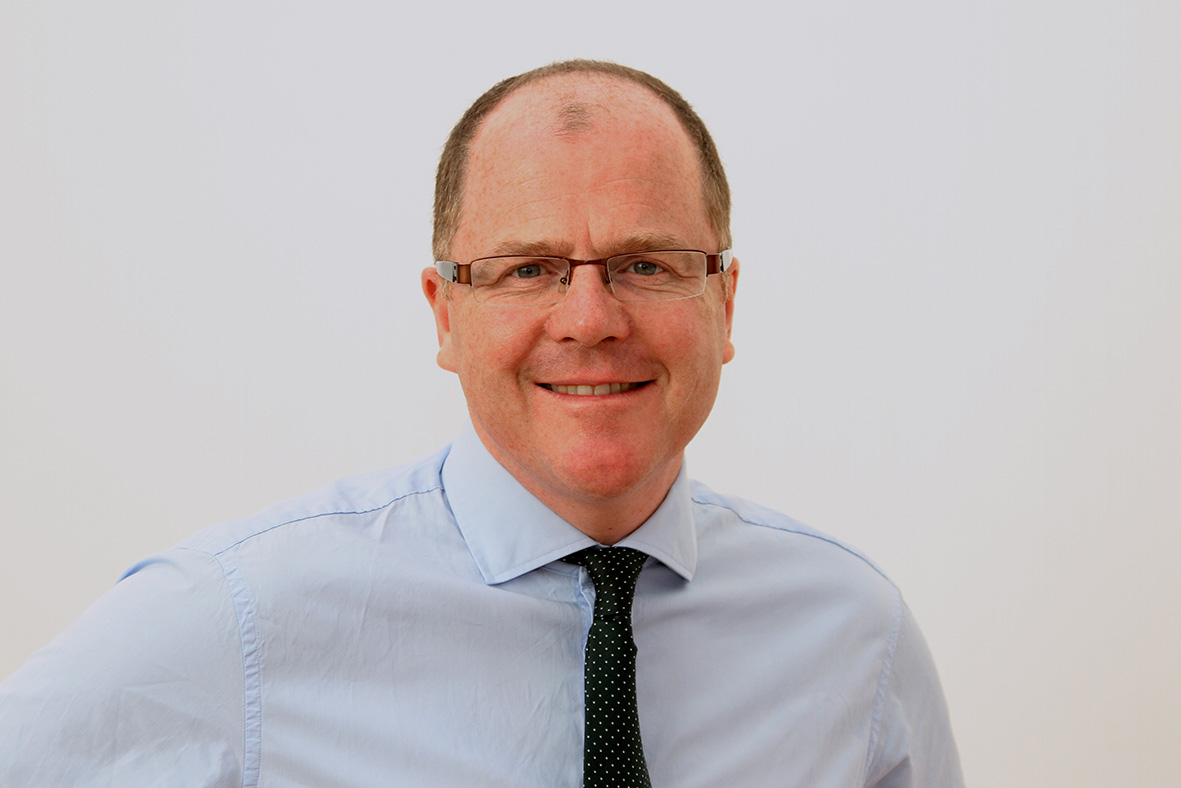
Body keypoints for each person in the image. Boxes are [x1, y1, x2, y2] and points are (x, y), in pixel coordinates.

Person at [0, 60, 963, 787]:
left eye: (647, 263)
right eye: (527, 269)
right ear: (445, 314)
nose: (589, 318)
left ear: (725, 301)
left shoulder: (853, 638)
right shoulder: (236, 620)